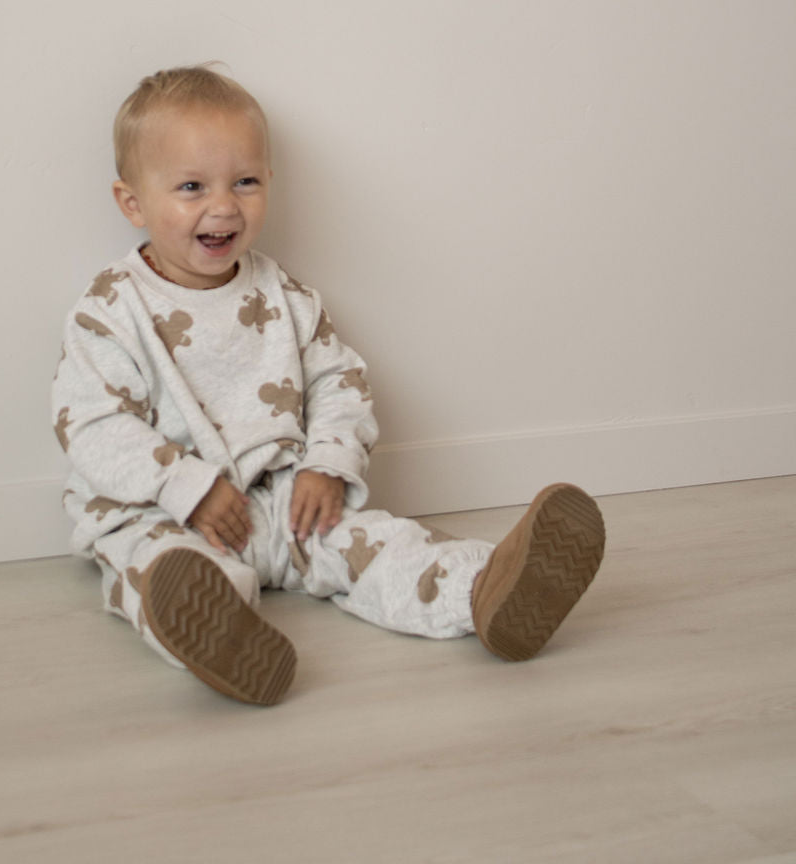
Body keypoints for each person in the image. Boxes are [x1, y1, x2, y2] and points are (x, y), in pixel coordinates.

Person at [53, 65, 605, 704]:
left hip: (286, 502)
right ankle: (215, 628)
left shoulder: (282, 295)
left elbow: (338, 381)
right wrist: (185, 485)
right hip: (164, 514)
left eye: (246, 181)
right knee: (155, 568)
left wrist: (326, 463)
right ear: (132, 202)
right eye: (191, 186)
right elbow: (92, 426)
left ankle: (484, 589)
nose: (225, 205)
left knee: (376, 543)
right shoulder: (110, 311)